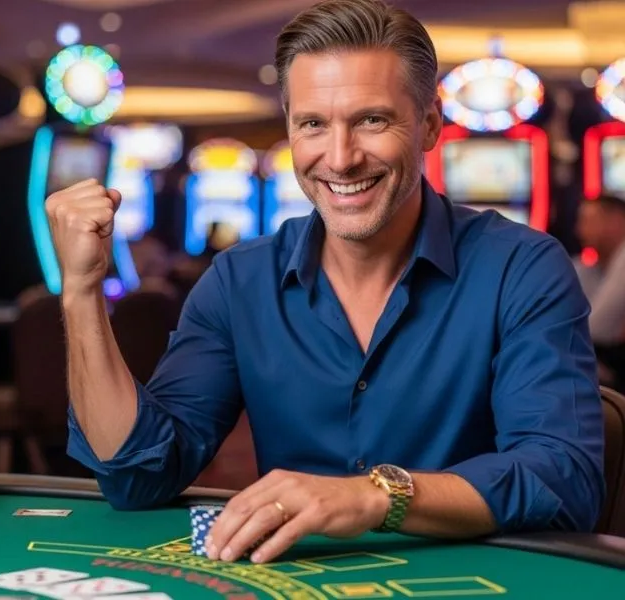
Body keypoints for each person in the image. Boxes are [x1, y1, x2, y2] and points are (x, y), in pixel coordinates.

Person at [47, 0, 604, 565]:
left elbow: (563, 478)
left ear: (429, 125)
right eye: (313, 124)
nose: (340, 158)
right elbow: (137, 476)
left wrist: (375, 496)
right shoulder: (241, 280)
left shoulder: (522, 267)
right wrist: (81, 290)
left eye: (372, 120)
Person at [574, 194, 625, 387]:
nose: (579, 229)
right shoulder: (592, 267)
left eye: (587, 220)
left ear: (616, 222)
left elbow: (597, 327)